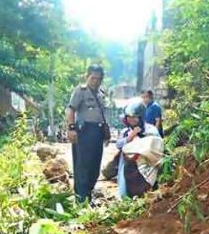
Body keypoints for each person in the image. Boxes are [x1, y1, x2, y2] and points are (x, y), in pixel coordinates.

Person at [66, 64, 109, 203]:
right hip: (83, 132)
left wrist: (105, 133)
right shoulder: (81, 91)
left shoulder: (101, 94)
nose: (96, 81)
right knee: (83, 166)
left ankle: (88, 196)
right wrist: (71, 128)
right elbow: (70, 110)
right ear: (87, 77)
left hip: (97, 132)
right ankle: (81, 199)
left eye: (99, 79)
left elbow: (102, 115)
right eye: (93, 78)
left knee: (95, 166)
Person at [115, 102, 160, 198]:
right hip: (129, 167)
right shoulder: (125, 132)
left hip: (147, 165)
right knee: (126, 193)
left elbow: (157, 145)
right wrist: (130, 137)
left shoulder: (150, 130)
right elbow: (118, 144)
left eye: (134, 117)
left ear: (140, 117)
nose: (131, 119)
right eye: (129, 117)